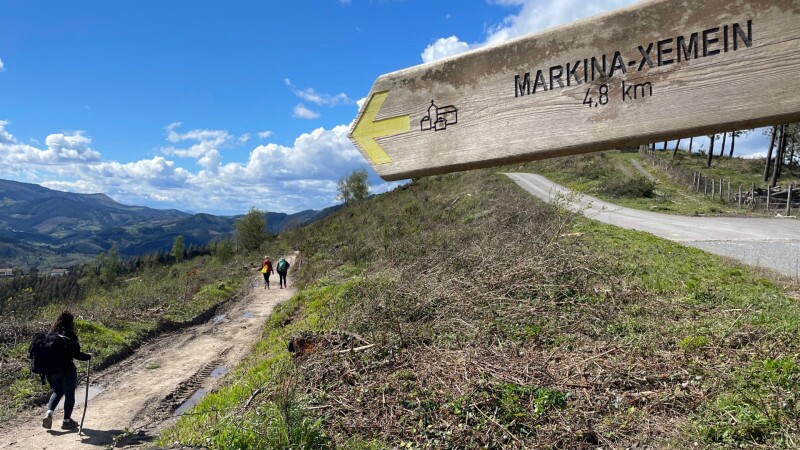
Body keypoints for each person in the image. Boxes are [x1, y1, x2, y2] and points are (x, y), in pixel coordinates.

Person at [42, 311, 91, 430]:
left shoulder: (51, 335)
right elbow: (77, 354)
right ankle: (66, 421)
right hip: (67, 370)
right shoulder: (70, 335)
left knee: (57, 391)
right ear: (70, 322)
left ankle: (49, 413)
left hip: (51, 371)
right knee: (69, 394)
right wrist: (88, 356)